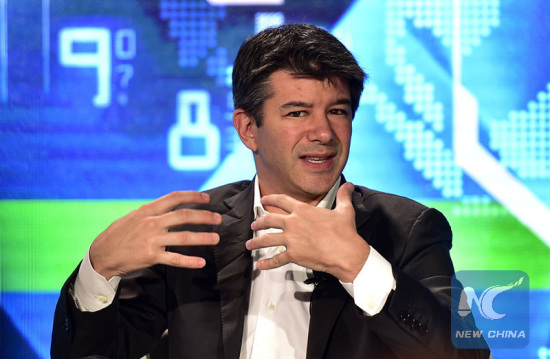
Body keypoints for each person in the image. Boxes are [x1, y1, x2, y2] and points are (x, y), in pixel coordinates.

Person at [51, 23, 490, 359]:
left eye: (337, 111)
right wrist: (99, 267)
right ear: (248, 129)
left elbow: (469, 351)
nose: (323, 132)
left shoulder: (407, 229)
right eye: (297, 112)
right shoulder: (196, 233)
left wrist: (356, 263)